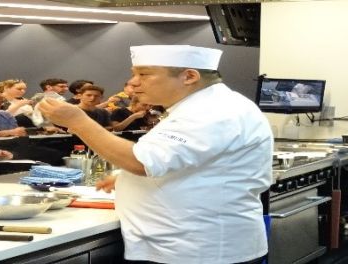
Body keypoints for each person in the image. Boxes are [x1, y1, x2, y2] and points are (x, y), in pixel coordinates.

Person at [38, 45, 271, 264]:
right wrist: (127, 177)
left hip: (198, 250)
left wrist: (78, 122)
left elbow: (139, 161)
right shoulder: (205, 106)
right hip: (186, 245)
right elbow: (186, 161)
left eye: (144, 74)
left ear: (189, 76)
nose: (133, 83)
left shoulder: (211, 111)